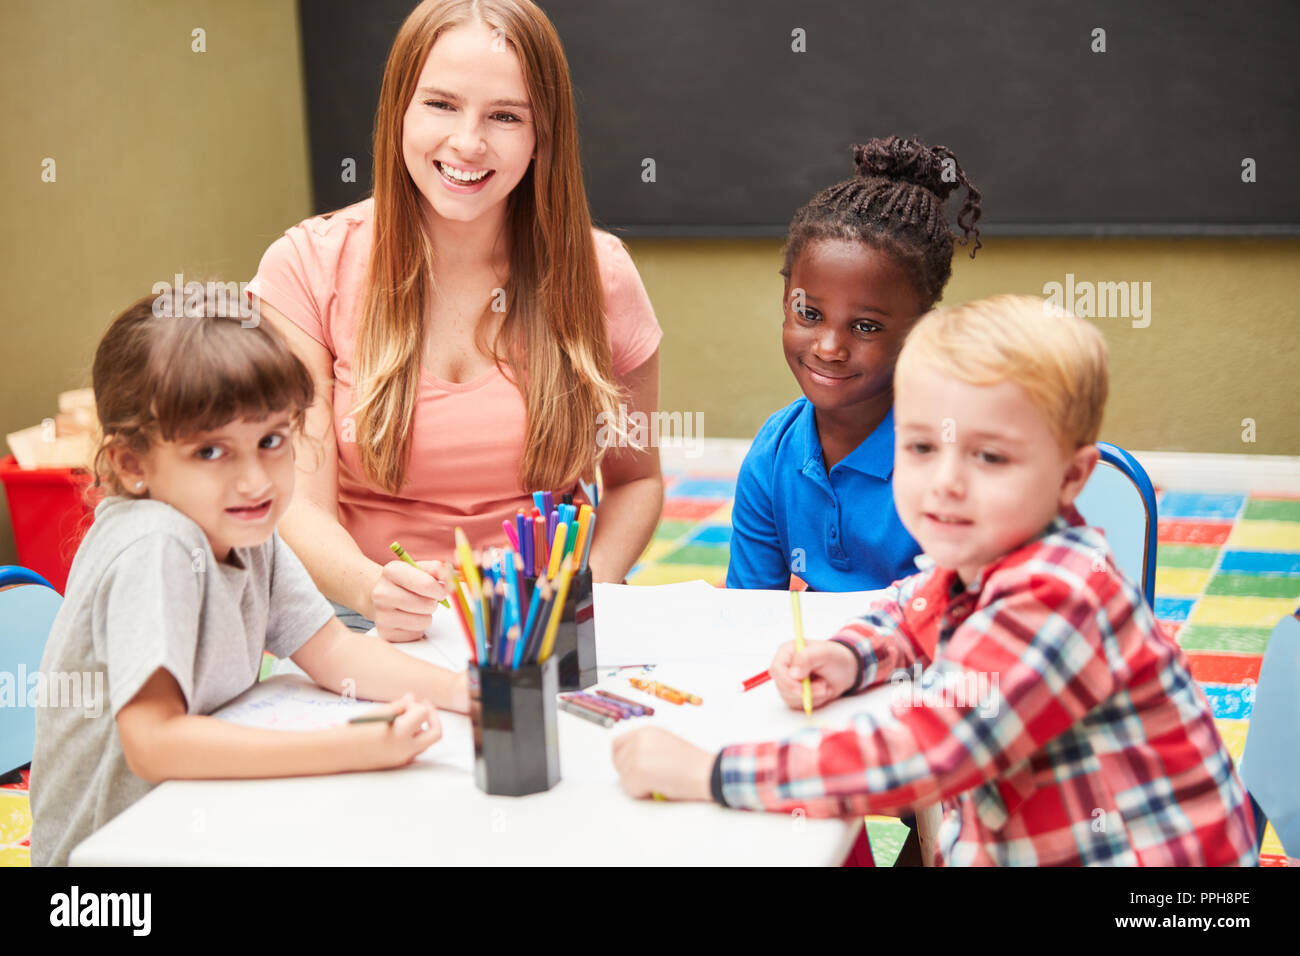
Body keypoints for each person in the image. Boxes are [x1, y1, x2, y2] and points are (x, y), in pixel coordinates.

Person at [614, 294, 1258, 866]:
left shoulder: (1056, 596)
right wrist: (849, 652)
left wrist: (709, 771)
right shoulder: (980, 559)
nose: (946, 481)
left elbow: (919, 755)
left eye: (990, 456)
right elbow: (909, 606)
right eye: (922, 448)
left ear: (1069, 477)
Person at [249, 0, 663, 643]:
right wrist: (372, 590)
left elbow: (636, 482)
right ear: (399, 110)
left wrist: (582, 593)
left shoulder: (601, 273)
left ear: (541, 135)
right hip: (362, 615)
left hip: (551, 618)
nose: (468, 142)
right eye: (441, 104)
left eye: (504, 116)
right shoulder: (305, 267)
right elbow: (297, 504)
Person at [30, 292, 461, 867]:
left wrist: (469, 694)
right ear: (132, 465)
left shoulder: (242, 526)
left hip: (204, 823)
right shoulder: (157, 545)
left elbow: (333, 650)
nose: (255, 480)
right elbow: (154, 743)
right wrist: (350, 748)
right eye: (211, 451)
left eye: (270, 441)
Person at [726, 136, 982, 593]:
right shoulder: (773, 453)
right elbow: (749, 615)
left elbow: (970, 625)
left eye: (865, 326)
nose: (828, 347)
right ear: (786, 302)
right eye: (809, 314)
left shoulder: (951, 460)